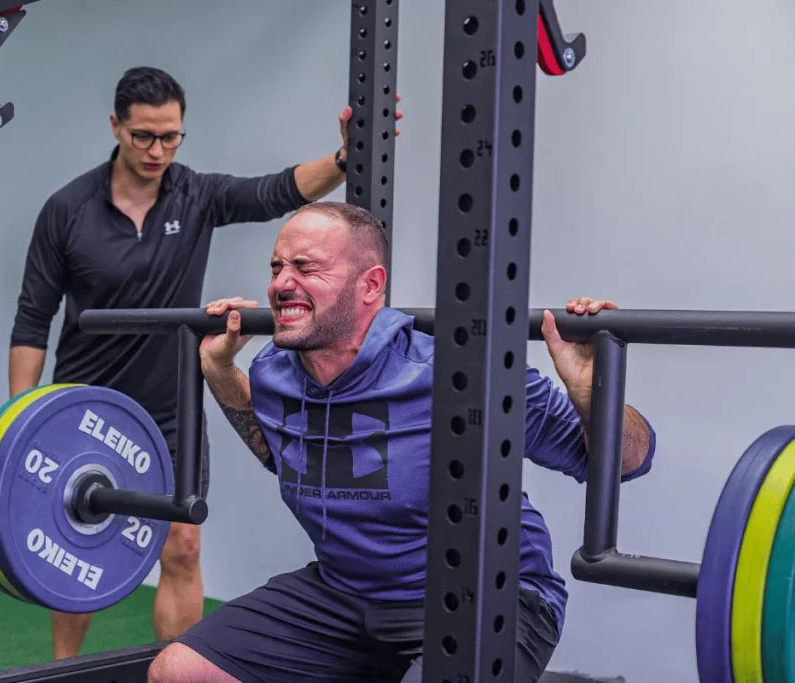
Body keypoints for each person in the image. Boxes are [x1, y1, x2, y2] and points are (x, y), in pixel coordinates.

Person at [146, 201, 657, 683]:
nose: (282, 283)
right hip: (344, 594)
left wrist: (593, 393)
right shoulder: (274, 371)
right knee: (180, 671)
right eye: (277, 267)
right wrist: (217, 368)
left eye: (306, 268)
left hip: (490, 599)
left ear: (370, 286)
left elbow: (625, 462)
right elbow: (276, 451)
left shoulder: (462, 374)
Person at [8, 68, 404, 659]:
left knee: (183, 547)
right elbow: (32, 319)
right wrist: (23, 412)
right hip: (87, 404)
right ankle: (64, 667)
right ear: (115, 126)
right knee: (76, 546)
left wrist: (345, 159)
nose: (157, 150)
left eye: (171, 137)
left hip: (171, 406)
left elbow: (275, 190)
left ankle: (182, 668)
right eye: (144, 135)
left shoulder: (195, 195)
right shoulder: (67, 210)